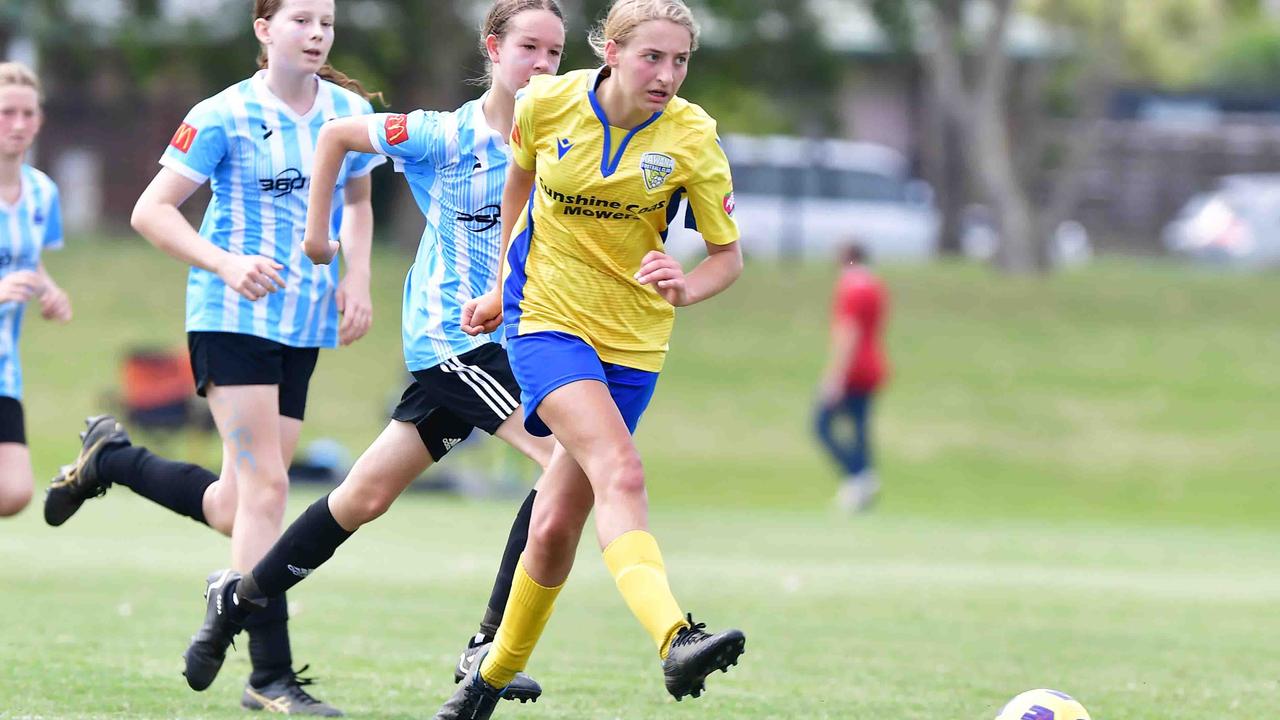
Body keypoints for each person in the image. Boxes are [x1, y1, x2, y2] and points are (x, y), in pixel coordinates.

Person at [175, 0, 567, 705]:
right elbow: (334, 139)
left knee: (363, 496)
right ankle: (487, 644)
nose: (542, 65)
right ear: (492, 50)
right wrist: (322, 240)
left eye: (554, 54)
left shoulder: (563, 141)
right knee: (566, 461)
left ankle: (239, 599)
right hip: (454, 343)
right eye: (529, 48)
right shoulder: (441, 136)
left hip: (510, 342)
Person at [41, 0, 384, 714]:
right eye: (301, 20)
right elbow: (150, 210)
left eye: (326, 20)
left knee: (238, 506)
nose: (318, 33)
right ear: (264, 29)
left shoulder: (347, 110)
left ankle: (112, 461)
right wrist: (225, 263)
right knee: (267, 496)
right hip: (230, 315)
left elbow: (358, 201)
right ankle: (269, 675)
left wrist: (357, 277)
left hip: (304, 319)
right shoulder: (223, 114)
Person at [435, 1, 746, 717]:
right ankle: (676, 638)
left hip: (635, 346)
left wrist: (686, 285)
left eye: (680, 61)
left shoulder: (693, 137)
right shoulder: (546, 103)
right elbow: (520, 184)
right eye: (652, 57)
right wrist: (496, 286)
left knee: (552, 529)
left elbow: (728, 259)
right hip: (544, 321)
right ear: (610, 49)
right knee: (622, 470)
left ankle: (481, 687)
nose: (666, 75)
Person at [0, 62, 73, 519]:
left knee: (13, 491)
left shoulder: (42, 193)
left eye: (28, 114)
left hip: (5, 364)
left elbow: (27, 261)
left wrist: (49, 289)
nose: (19, 124)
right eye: (7, 113)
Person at [815, 241, 889, 512]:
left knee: (821, 425)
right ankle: (863, 479)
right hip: (873, 362)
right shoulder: (874, 284)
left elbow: (849, 332)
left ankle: (858, 477)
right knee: (859, 427)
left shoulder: (852, 288)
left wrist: (835, 376)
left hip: (854, 368)